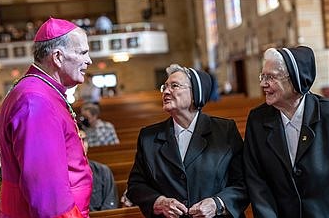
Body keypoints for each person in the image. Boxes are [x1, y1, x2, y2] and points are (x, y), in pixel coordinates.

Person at [0, 17, 93, 217]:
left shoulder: (41, 91)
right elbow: (48, 197)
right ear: (58, 57)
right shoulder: (36, 102)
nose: (89, 60)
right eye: (82, 52)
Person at [127, 64, 248, 218]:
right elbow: (136, 185)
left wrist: (217, 204)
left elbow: (243, 182)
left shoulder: (224, 131)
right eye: (164, 86)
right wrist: (159, 202)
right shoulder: (148, 137)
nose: (166, 91)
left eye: (174, 86)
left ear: (196, 94)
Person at [243, 46, 329, 218]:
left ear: (296, 81)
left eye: (270, 77)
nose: (262, 84)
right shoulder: (257, 119)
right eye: (263, 76)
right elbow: (256, 179)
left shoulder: (326, 114)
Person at [79, 129, 119, 211]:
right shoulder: (62, 175)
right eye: (77, 140)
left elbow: (110, 206)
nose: (82, 144)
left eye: (84, 140)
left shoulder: (102, 171)